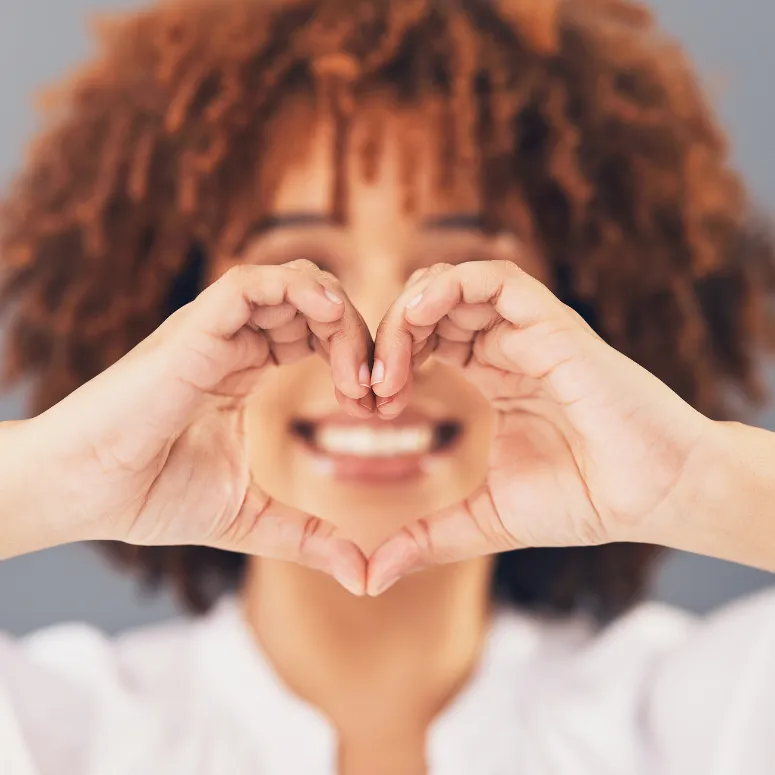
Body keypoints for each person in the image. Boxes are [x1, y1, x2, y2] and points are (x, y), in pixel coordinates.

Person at [1, 0, 775, 772]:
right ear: (169, 314)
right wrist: (57, 475)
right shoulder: (55, 728)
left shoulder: (706, 717)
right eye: (299, 271)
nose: (376, 339)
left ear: (585, 322)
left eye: (462, 276)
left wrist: (693, 476)